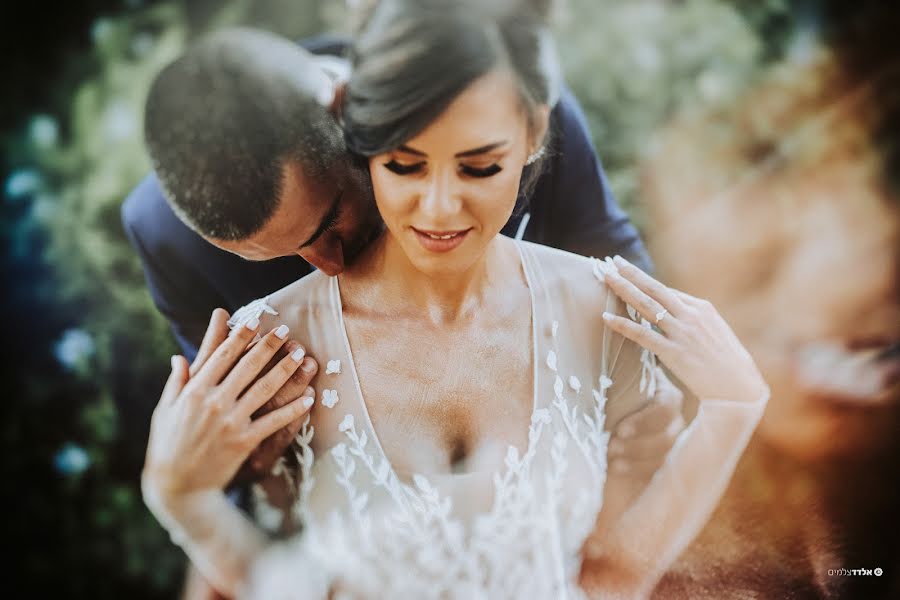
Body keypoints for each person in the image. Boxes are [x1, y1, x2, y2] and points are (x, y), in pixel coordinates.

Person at [141, 2, 769, 598]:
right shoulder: (167, 237)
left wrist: (653, 397)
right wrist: (216, 471)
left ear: (350, 118)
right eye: (279, 257)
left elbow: (617, 275)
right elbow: (241, 459)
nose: (329, 265)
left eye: (330, 223)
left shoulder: (493, 101)